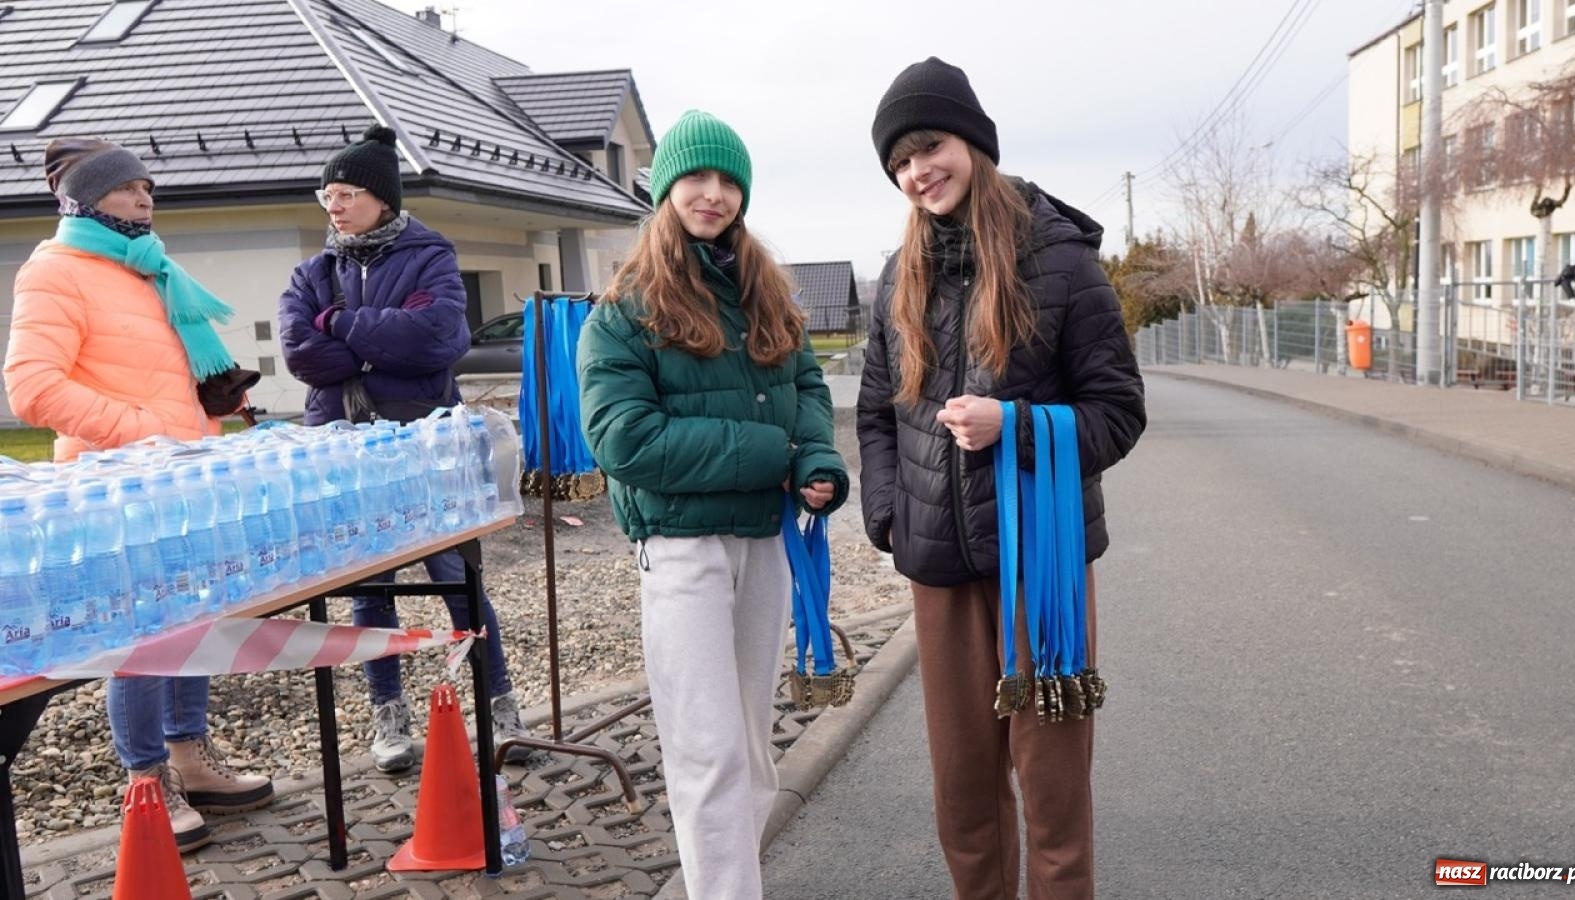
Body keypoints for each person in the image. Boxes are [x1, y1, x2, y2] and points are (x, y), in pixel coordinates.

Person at [856, 59, 1146, 899]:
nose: (919, 171)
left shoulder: (1060, 261)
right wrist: (891, 517)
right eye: (900, 161)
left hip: (1042, 567)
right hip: (940, 570)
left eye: (930, 147)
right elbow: (876, 414)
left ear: (973, 144)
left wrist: (1014, 427)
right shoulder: (897, 276)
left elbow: (1118, 412)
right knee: (963, 792)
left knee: (1053, 791)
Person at [576, 110, 848, 900]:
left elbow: (805, 388)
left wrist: (818, 460)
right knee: (708, 749)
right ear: (665, 189)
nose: (713, 193)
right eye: (696, 176)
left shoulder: (768, 293)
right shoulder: (623, 309)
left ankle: (734, 884)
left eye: (729, 180)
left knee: (753, 749)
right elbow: (623, 440)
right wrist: (775, 455)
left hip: (764, 540)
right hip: (681, 546)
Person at [4, 138, 273, 851]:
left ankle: (191, 758)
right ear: (85, 202)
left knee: (195, 617)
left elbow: (151, 368)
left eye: (147, 187)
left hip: (181, 476)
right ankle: (147, 782)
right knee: (142, 633)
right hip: (116, 487)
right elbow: (32, 387)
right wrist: (146, 432)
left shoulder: (149, 266)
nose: (144, 198)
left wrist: (207, 398)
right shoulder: (55, 271)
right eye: (127, 188)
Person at [277, 124, 532, 774]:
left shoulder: (430, 255)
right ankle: (388, 713)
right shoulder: (312, 272)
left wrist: (342, 326)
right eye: (328, 195)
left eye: (347, 194)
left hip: (426, 446)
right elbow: (302, 354)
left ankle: (499, 703)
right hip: (345, 449)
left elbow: (438, 337)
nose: (334, 206)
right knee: (371, 587)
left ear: (382, 198)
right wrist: (380, 343)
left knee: (457, 579)